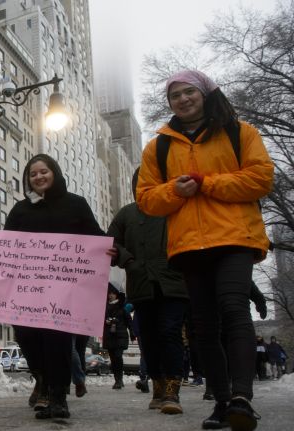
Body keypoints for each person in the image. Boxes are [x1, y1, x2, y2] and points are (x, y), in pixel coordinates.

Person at [137, 70, 274, 431]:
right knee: (203, 328)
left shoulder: (240, 133)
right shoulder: (158, 147)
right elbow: (146, 199)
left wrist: (206, 183)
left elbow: (261, 178)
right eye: (175, 96)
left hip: (235, 239)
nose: (182, 100)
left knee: (233, 310)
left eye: (188, 92)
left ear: (206, 94)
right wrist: (175, 192)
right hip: (189, 246)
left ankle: (242, 397)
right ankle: (223, 402)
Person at [4, 154, 116, 420]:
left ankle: (57, 397)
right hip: (27, 291)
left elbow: (94, 236)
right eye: (33, 174)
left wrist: (112, 249)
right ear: (27, 180)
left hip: (64, 291)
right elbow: (6, 246)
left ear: (54, 173)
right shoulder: (20, 210)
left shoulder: (76, 204)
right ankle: (41, 379)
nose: (39, 177)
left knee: (57, 341)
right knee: (27, 338)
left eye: (44, 171)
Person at [108, 168, 190, 414]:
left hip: (173, 284)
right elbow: (111, 243)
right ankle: (158, 385)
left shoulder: (175, 206)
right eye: (141, 182)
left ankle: (173, 390)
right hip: (141, 285)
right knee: (149, 338)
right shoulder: (127, 214)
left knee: (170, 333)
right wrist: (127, 260)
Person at [103, 284, 132, 391]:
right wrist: (105, 321)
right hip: (109, 336)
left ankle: (119, 380)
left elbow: (129, 321)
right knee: (113, 359)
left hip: (120, 336)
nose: (111, 295)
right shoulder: (104, 307)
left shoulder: (122, 307)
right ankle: (117, 379)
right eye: (109, 293)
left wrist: (133, 333)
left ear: (117, 295)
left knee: (118, 356)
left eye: (113, 293)